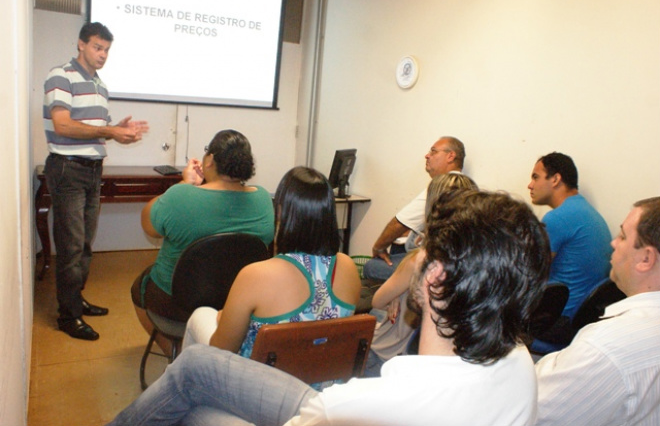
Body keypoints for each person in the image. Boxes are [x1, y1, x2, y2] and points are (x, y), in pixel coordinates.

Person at [107, 189, 552, 426]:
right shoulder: (518, 364)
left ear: (434, 276)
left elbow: (332, 412)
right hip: (332, 400)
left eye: (423, 249)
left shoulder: (363, 404)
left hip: (328, 413)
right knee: (198, 366)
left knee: (195, 404)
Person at [181, 166, 361, 374]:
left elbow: (220, 350)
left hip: (260, 389)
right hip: (320, 387)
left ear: (282, 211)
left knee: (201, 314)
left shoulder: (255, 275)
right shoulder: (348, 267)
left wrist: (225, 318)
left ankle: (189, 391)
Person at [43, 22, 149, 341]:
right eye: (97, 47)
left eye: (106, 50)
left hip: (92, 169)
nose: (102, 55)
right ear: (81, 45)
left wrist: (120, 132)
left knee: (85, 242)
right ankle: (68, 316)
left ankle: (76, 299)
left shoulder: (100, 85)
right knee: (71, 245)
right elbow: (63, 125)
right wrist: (109, 131)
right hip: (68, 169)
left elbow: (96, 132)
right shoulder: (61, 75)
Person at [131, 129, 275, 353]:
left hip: (176, 301)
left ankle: (177, 356)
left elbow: (148, 225)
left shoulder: (181, 196)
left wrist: (184, 183)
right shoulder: (263, 198)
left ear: (210, 160)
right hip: (236, 302)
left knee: (138, 287)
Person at [535, 196, 660, 426]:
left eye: (622, 236)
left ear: (646, 258)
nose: (613, 243)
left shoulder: (606, 347)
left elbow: (533, 411)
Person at [365, 172, 478, 376]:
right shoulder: (477, 260)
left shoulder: (419, 260)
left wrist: (398, 293)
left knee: (370, 272)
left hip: (389, 356)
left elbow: (377, 300)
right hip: (444, 360)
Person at [527, 152, 611, 340]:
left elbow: (529, 272)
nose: (530, 185)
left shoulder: (558, 218)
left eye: (535, 177)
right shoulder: (588, 212)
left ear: (555, 179)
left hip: (558, 321)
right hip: (583, 319)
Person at [363, 136, 466, 285]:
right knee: (400, 245)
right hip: (451, 263)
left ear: (451, 156)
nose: (427, 155)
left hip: (439, 267)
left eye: (434, 151)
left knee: (371, 267)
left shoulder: (442, 187)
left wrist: (378, 247)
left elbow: (399, 224)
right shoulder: (466, 185)